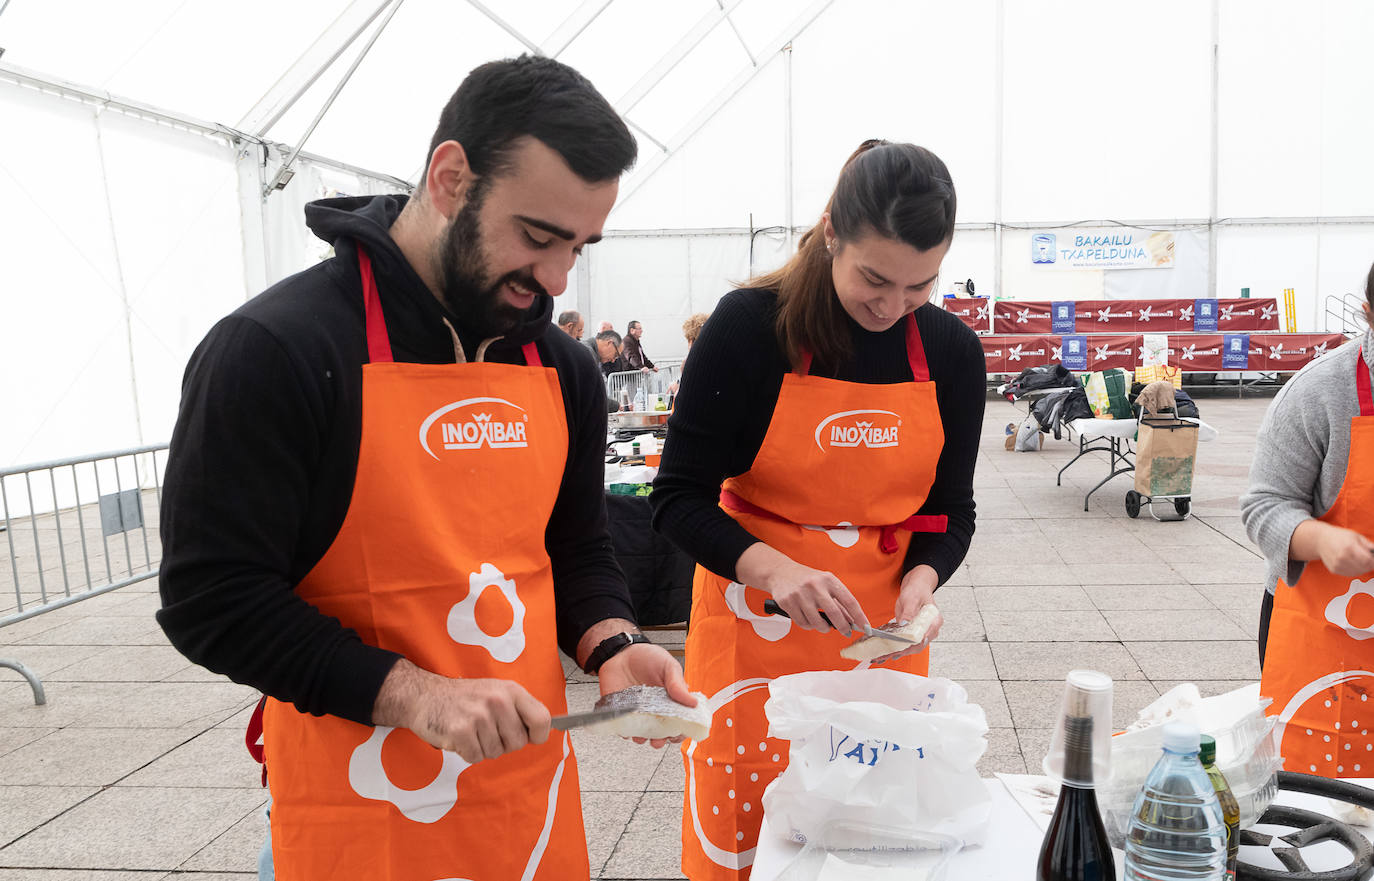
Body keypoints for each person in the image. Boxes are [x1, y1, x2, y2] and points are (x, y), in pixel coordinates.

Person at [156, 55, 694, 881]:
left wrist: (613, 643)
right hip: (356, 796)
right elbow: (211, 599)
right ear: (450, 178)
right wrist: (417, 695)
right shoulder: (276, 351)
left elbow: (577, 548)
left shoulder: (563, 370)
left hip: (524, 795)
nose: (555, 280)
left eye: (579, 247)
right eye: (538, 237)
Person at [651, 140, 985, 879]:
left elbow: (949, 510)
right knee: (742, 833)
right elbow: (675, 496)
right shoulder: (749, 328)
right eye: (874, 278)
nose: (892, 307)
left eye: (920, 286)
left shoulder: (953, 352)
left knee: (867, 838)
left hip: (882, 641)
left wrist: (924, 581)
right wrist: (774, 568)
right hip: (751, 627)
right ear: (832, 229)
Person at [1242, 261, 1374, 777]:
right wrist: (1317, 537)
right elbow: (1263, 504)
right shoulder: (1319, 392)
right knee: (1321, 794)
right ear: (1368, 315)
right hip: (1326, 626)